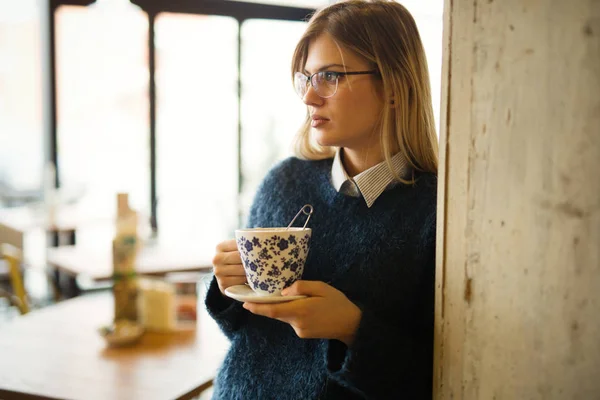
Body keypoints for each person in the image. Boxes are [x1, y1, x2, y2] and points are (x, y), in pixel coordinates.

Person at [206, 0, 438, 398]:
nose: (309, 98)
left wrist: (351, 328)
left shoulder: (437, 213)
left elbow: (432, 379)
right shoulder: (285, 181)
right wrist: (229, 286)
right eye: (307, 78)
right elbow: (251, 339)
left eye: (330, 76)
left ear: (395, 87)